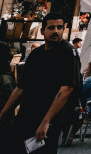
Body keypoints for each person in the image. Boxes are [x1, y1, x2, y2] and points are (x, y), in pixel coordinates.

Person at [0, 14, 77, 154]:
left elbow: (66, 89)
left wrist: (46, 121)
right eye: (51, 27)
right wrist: (4, 112)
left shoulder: (67, 52)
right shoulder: (36, 54)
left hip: (48, 117)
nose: (56, 31)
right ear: (43, 31)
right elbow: (21, 87)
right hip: (26, 114)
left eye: (60, 27)